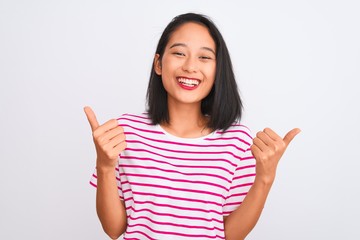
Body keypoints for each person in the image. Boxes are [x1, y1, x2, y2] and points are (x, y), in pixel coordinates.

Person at [84, 13, 300, 240]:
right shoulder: (126, 131)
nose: (190, 67)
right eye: (179, 53)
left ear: (218, 71)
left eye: (204, 58)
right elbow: (113, 229)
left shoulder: (237, 141)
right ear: (158, 63)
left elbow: (231, 235)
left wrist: (265, 177)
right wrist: (105, 166)